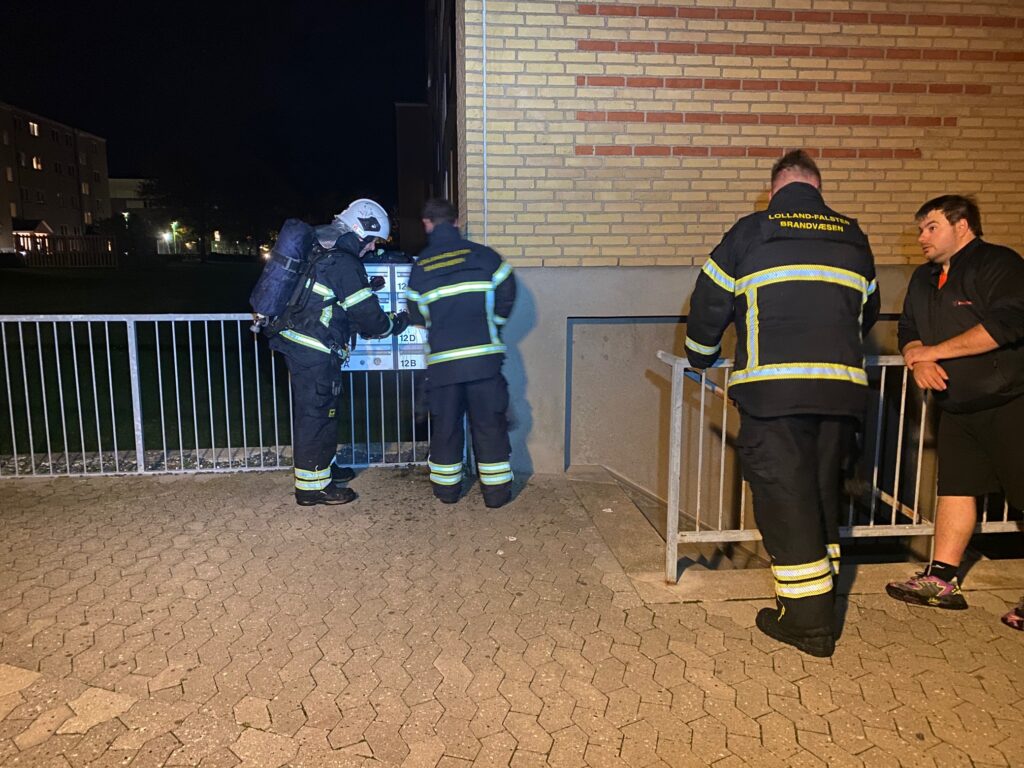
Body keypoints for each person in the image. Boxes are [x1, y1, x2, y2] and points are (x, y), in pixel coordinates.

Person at [684, 150, 879, 657]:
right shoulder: (853, 236)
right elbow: (867, 310)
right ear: (817, 187)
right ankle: (823, 600)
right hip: (840, 394)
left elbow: (709, 301)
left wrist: (700, 356)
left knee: (785, 500)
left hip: (773, 395)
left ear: (775, 190)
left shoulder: (751, 232)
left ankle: (808, 624)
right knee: (821, 494)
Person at [885, 196, 1024, 628]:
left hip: (1010, 402)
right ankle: (941, 580)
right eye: (920, 230)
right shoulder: (924, 278)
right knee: (956, 490)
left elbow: (1006, 326)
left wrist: (935, 352)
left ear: (962, 226)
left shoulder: (999, 264)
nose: (921, 238)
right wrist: (918, 359)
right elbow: (907, 329)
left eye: (931, 227)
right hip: (957, 407)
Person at [269, 198, 409, 506]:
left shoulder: (325, 250)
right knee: (316, 414)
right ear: (360, 231)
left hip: (303, 344)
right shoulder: (343, 262)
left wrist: (364, 287)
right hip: (314, 349)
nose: (371, 248)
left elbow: (332, 298)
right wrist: (397, 322)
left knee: (321, 411)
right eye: (371, 241)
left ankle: (325, 467)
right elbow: (371, 319)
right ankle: (312, 488)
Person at [404, 198, 517, 507]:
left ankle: (447, 492)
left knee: (445, 429)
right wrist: (494, 324)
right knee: (489, 427)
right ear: (456, 222)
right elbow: (508, 290)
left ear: (427, 224)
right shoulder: (484, 256)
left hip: (444, 367)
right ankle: (496, 495)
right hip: (484, 362)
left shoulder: (421, 268)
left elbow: (416, 315)